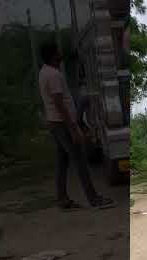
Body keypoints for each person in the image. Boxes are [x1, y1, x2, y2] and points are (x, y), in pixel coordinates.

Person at [38, 42, 114, 210]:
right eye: (58, 51)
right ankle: (94, 200)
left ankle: (62, 200)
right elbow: (59, 103)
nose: (60, 54)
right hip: (63, 124)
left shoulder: (43, 72)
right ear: (52, 55)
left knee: (62, 162)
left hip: (55, 123)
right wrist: (74, 128)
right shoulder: (53, 75)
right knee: (80, 161)